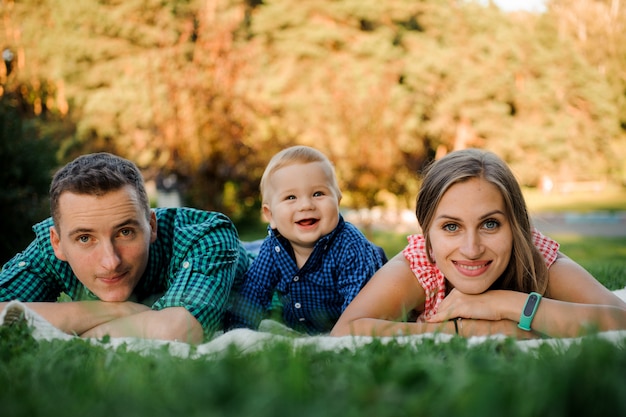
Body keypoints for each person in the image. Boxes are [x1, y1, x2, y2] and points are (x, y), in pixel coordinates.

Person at [331, 149, 626, 338]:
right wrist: (465, 329)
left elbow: (620, 320)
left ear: (517, 228)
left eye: (490, 224)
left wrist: (503, 304)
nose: (471, 249)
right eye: (451, 227)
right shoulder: (419, 268)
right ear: (427, 236)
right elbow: (347, 330)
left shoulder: (535, 259)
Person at [0, 152, 251, 343]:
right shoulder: (54, 243)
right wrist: (116, 310)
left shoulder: (207, 236)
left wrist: (63, 329)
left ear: (151, 225)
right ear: (58, 243)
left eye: (125, 232)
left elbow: (178, 331)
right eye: (86, 239)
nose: (111, 262)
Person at [226, 145, 387, 334]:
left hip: (346, 317)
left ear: (337, 201)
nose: (305, 205)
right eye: (291, 197)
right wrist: (237, 332)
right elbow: (253, 292)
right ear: (271, 216)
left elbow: (359, 310)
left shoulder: (351, 247)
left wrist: (342, 334)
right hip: (304, 324)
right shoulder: (273, 247)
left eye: (318, 194)